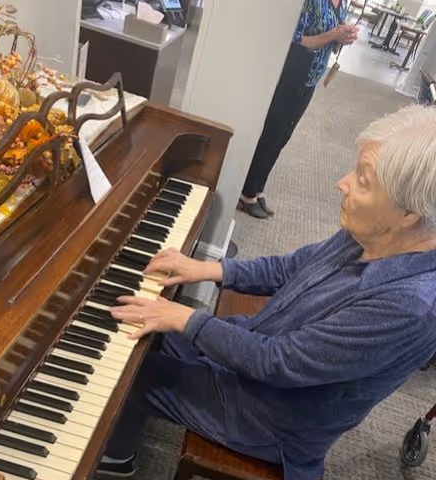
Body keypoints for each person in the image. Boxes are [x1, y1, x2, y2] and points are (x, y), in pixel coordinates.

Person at [96, 105, 436, 480]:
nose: (343, 182)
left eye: (363, 179)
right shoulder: (377, 231)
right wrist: (211, 269)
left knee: (123, 378)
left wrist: (186, 318)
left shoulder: (408, 306)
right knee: (136, 333)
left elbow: (279, 363)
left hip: (271, 420)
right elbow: (293, 267)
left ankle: (116, 463)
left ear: (408, 213)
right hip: (257, 348)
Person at [240, 0, 358, 218]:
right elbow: (294, 39)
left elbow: (332, 42)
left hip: (310, 79)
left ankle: (258, 187)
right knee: (272, 134)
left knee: (282, 137)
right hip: (293, 74)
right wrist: (333, 34)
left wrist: (343, 38)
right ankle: (247, 192)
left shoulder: (341, 3)